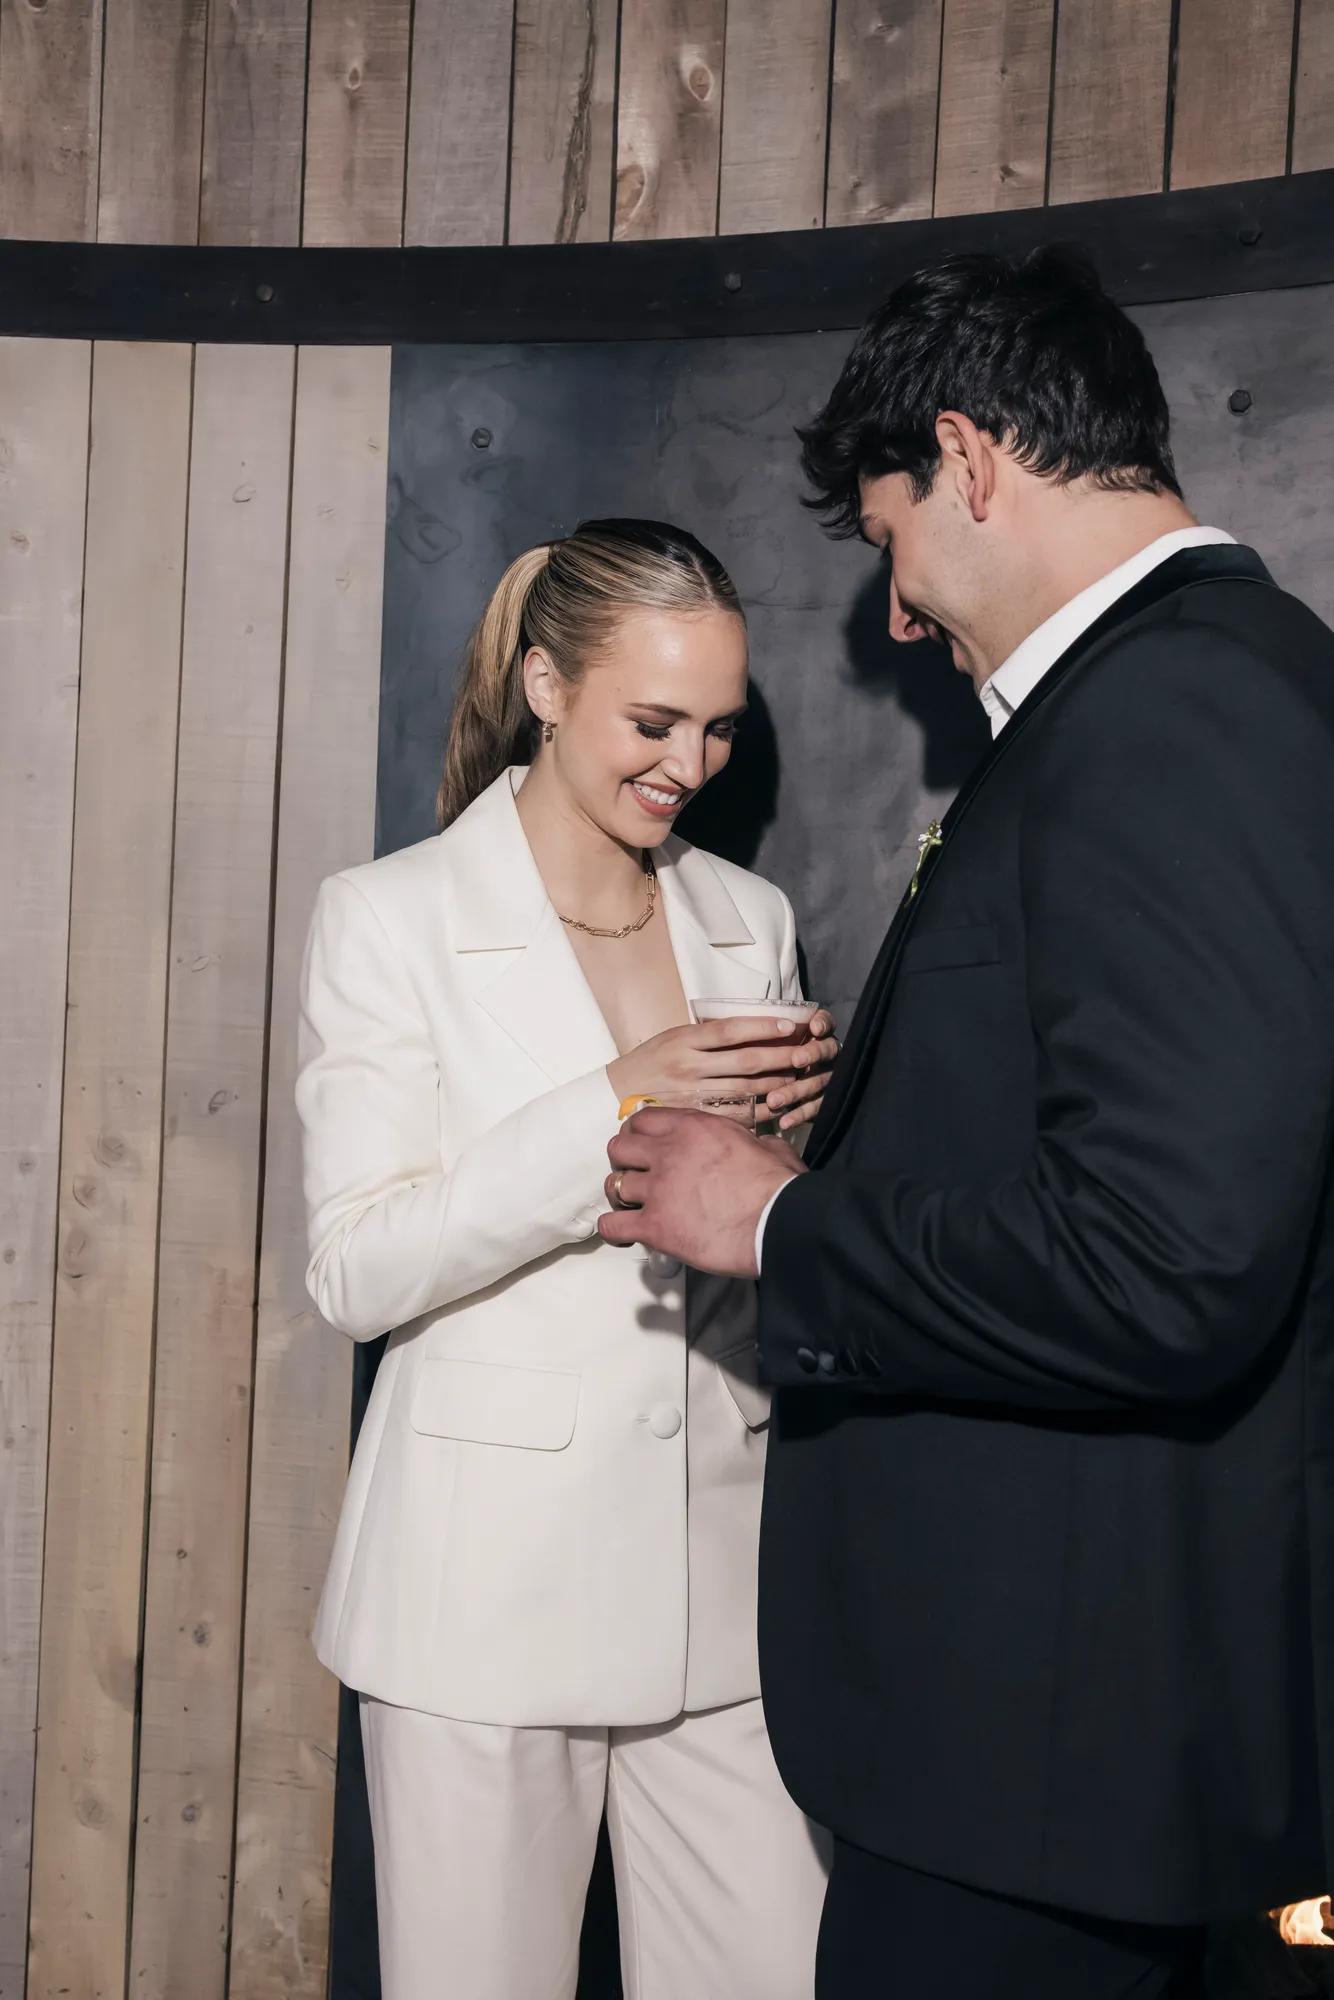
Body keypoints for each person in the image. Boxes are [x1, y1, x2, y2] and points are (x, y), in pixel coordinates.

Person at [600, 251, 1334, 1998]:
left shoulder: (1176, 708)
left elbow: (1169, 1260)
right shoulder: (1210, 683)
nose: (900, 609)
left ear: (970, 457)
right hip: (1077, 1737)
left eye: (884, 539)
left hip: (1059, 1747)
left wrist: (776, 1215)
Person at [295, 519, 837, 2000]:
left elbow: (757, 1240)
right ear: (545, 682)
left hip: (723, 1594)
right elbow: (356, 1267)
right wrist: (618, 1100)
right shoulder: (388, 917)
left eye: (719, 728)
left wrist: (796, 1167)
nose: (690, 764)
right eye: (651, 722)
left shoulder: (751, 917)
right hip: (481, 1603)